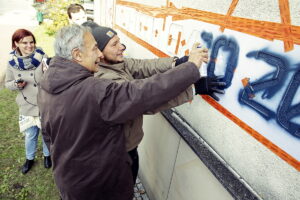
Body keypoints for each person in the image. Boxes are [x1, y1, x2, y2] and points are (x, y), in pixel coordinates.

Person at [38, 24, 207, 200]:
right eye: (95, 48)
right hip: (97, 186)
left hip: (69, 179)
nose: (100, 54)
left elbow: (48, 133)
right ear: (77, 55)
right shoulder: (93, 90)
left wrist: (177, 62)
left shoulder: (48, 82)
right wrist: (191, 67)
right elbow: (142, 94)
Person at [83, 23, 226, 184]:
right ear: (99, 52)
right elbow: (147, 101)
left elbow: (143, 66)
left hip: (127, 147)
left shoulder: (115, 64)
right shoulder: (105, 78)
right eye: (114, 44)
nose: (122, 47)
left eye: (120, 41)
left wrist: (177, 63)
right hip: (119, 154)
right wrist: (193, 87)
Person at [5, 29, 51, 174]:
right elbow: (7, 83)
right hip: (26, 105)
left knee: (45, 133)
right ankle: (29, 158)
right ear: (16, 44)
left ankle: (47, 155)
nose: (29, 46)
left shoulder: (42, 56)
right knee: (30, 135)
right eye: (24, 43)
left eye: (31, 42)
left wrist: (48, 70)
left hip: (44, 103)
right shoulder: (12, 63)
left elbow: (52, 77)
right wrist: (16, 85)